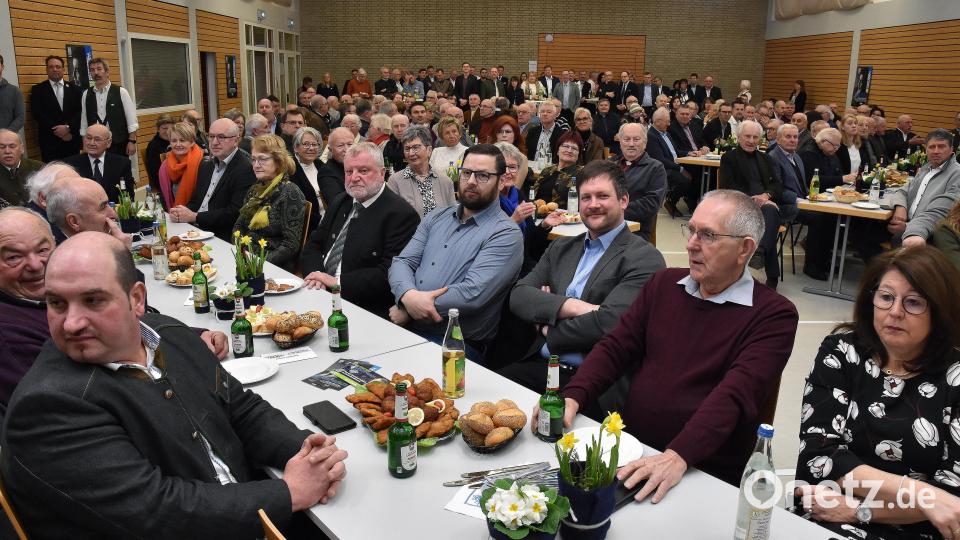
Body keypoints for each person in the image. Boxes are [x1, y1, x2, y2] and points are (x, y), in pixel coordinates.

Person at [1, 231, 348, 538]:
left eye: (93, 300)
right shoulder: (48, 406)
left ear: (137, 299)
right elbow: (157, 513)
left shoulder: (166, 334)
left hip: (247, 512)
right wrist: (289, 493)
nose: (72, 322)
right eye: (57, 303)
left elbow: (240, 407)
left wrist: (309, 454)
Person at [795, 246, 960, 540]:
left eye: (913, 302)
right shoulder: (842, 351)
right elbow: (817, 458)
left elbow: (952, 502)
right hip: (827, 511)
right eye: (885, 297)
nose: (894, 312)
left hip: (920, 529)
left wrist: (860, 511)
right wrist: (924, 494)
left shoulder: (955, 378)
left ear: (940, 310)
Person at [503, 160, 665, 406]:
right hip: (540, 366)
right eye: (586, 197)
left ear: (623, 201)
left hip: (593, 382)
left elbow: (611, 323)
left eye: (602, 196)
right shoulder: (561, 246)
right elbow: (519, 296)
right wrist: (574, 306)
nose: (593, 205)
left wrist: (546, 326)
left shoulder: (644, 258)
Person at [388, 144, 523, 361]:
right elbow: (403, 262)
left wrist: (411, 307)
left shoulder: (506, 233)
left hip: (455, 344)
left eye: (482, 176)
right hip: (408, 327)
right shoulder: (437, 217)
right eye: (466, 173)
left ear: (501, 181)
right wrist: (407, 296)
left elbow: (472, 294)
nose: (470, 181)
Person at [302, 143, 419, 318]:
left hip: (362, 307)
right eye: (349, 172)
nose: (354, 177)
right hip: (318, 293)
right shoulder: (342, 201)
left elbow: (389, 273)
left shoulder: (401, 215)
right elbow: (314, 245)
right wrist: (317, 276)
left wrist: (336, 283)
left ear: (382, 173)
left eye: (363, 171)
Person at [718, 120, 785, 290]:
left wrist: (766, 195)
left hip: (765, 205)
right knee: (770, 218)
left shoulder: (766, 158)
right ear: (739, 137)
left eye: (755, 137)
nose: (751, 140)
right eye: (747, 136)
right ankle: (772, 276)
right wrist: (753, 199)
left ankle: (759, 251)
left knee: (769, 214)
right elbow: (728, 186)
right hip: (740, 206)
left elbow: (778, 185)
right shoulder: (729, 158)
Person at [168, 118, 257, 242]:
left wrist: (195, 217)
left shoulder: (246, 169)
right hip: (194, 230)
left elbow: (235, 213)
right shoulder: (206, 165)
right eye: (211, 136)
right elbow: (196, 200)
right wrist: (181, 212)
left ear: (236, 140)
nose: (214, 142)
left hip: (220, 236)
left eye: (221, 137)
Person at [233, 134, 306, 271]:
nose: (256, 165)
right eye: (253, 159)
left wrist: (259, 264)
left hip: (274, 265)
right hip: (247, 259)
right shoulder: (255, 189)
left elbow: (291, 244)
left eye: (263, 159)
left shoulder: (290, 193)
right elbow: (238, 226)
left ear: (278, 162)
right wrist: (240, 253)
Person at [888, 129, 960, 248]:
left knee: (897, 239)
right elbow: (902, 190)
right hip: (909, 223)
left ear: (951, 149)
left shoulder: (956, 174)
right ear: (926, 149)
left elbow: (939, 212)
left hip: (928, 232)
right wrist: (901, 207)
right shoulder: (926, 169)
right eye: (932, 147)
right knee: (864, 227)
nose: (936, 151)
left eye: (941, 146)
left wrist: (909, 227)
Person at [388, 126, 456, 217]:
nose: (411, 153)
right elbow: (392, 218)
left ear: (429, 150)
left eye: (416, 147)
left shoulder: (445, 181)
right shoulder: (395, 181)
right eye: (407, 149)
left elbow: (453, 216)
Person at [79, 58, 138, 156]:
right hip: (95, 144)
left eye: (99, 69)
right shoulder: (86, 94)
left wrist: (132, 142)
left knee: (120, 171)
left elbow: (132, 121)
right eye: (92, 70)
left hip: (118, 143)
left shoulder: (121, 92)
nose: (96, 73)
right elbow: (84, 123)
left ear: (107, 72)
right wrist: (85, 144)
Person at [63, 124, 134, 203]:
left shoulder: (122, 163)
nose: (92, 143)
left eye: (97, 139)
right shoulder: (70, 164)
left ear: (108, 143)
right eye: (88, 138)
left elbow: (128, 196)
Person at [30, 55, 83, 161]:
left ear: (63, 69)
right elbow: (37, 114)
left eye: (58, 67)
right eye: (51, 67)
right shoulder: (38, 90)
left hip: (71, 139)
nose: (54, 69)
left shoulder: (75, 89)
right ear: (46, 69)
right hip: (49, 142)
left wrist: (68, 128)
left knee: (74, 173)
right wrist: (59, 131)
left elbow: (81, 112)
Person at [646, 108, 694, 216]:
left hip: (674, 164)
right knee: (684, 180)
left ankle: (692, 202)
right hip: (664, 168)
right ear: (658, 121)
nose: (669, 124)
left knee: (695, 173)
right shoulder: (651, 136)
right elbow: (660, 159)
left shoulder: (666, 134)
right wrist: (681, 169)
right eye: (667, 121)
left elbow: (675, 151)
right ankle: (670, 201)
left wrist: (688, 153)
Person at [24, 161, 76, 243]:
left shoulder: (60, 215)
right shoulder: (35, 231)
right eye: (69, 190)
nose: (80, 194)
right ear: (44, 199)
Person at [155, 122, 203, 210]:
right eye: (174, 141)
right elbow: (163, 196)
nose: (178, 144)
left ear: (192, 142)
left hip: (196, 215)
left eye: (182, 140)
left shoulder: (202, 163)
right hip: (172, 213)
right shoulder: (165, 166)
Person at [286, 126, 326, 234]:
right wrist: (323, 222)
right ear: (296, 147)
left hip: (328, 219)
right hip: (308, 228)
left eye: (314, 144)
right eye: (306, 144)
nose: (311, 148)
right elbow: (299, 208)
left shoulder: (320, 165)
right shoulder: (290, 170)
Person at [529, 131, 582, 209]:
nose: (569, 150)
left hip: (564, 217)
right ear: (557, 150)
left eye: (574, 148)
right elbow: (533, 196)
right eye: (566, 146)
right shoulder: (546, 171)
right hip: (539, 214)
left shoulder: (581, 173)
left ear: (578, 154)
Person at [0, 129, 42, 207]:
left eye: (12, 146)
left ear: (22, 149)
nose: (7, 151)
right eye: (2, 147)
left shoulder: (40, 168)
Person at [316, 127, 351, 204]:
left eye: (350, 144)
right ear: (330, 149)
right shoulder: (327, 172)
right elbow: (337, 203)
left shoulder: (359, 166)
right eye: (340, 145)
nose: (347, 149)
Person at [143, 114, 174, 195]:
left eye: (171, 128)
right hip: (162, 180)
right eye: (164, 128)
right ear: (158, 129)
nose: (168, 131)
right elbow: (155, 171)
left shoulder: (174, 142)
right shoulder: (153, 145)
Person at [0, 55, 24, 133]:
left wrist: (5, 135)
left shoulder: (15, 91)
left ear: (2, 67)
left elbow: (20, 117)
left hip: (7, 142)